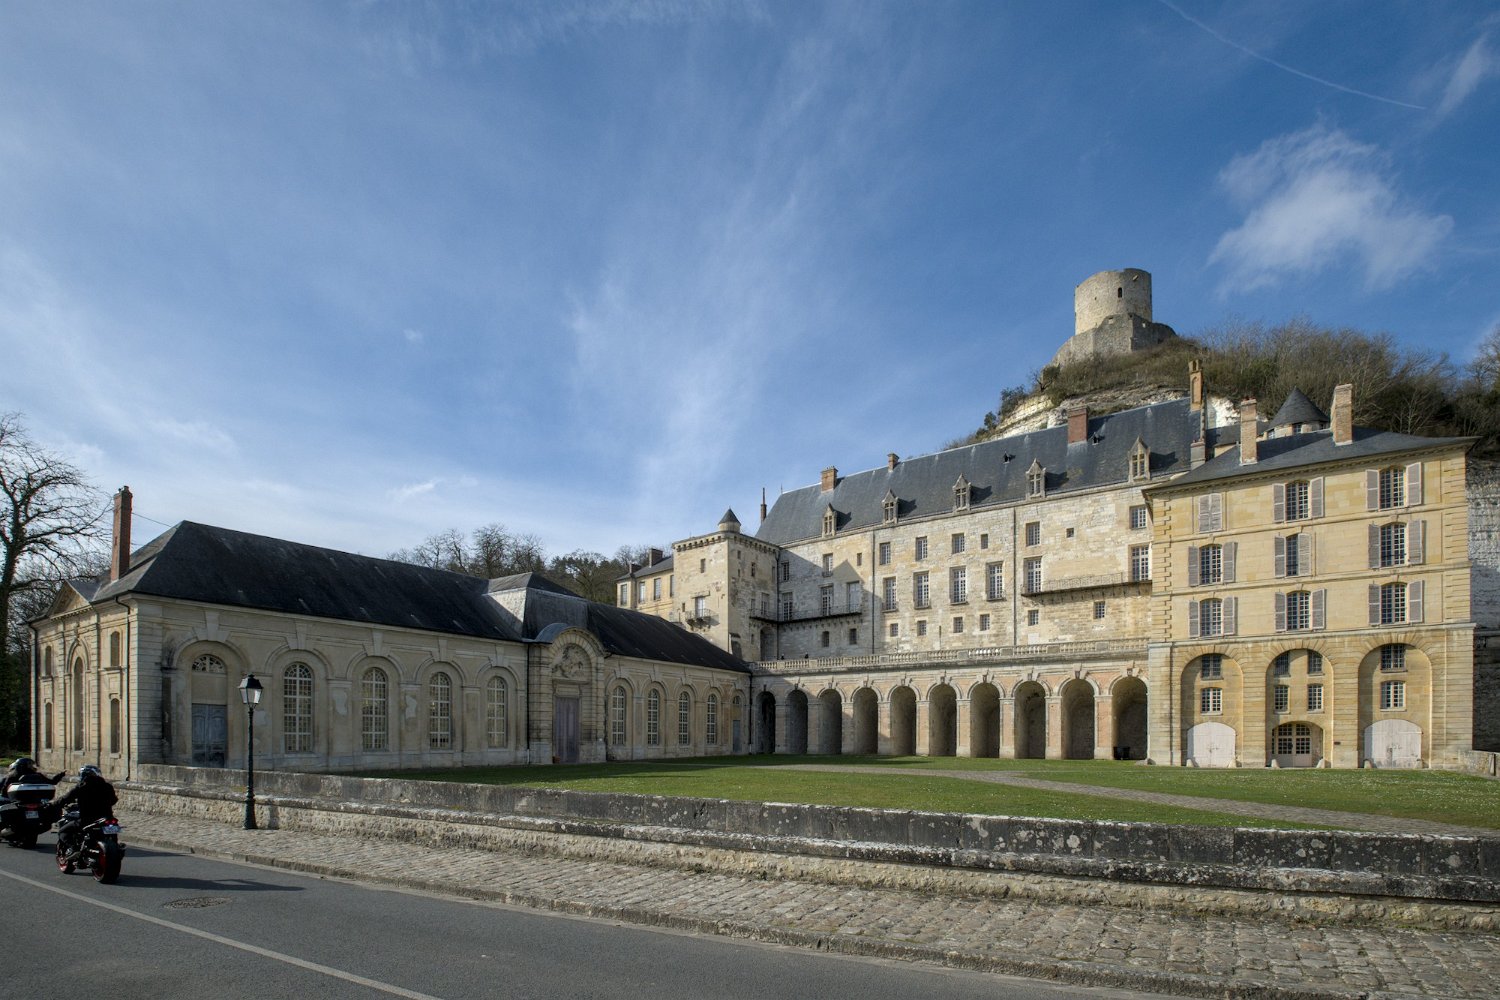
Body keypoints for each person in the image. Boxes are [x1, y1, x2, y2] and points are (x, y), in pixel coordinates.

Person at [53, 765, 117, 859]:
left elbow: (66, 798)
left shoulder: (82, 786)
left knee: (63, 831)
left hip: (87, 819)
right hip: (107, 818)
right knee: (113, 829)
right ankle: (116, 847)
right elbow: (114, 800)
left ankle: (74, 849)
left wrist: (55, 804)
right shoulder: (107, 786)